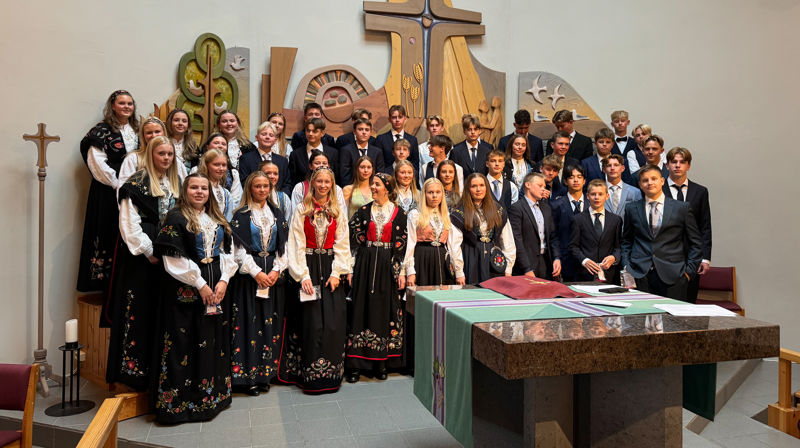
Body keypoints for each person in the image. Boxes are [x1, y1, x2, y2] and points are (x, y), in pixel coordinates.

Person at [152, 173, 237, 423]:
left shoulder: (216, 218)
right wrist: (201, 285)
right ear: (185, 191)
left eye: (204, 188)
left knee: (212, 342)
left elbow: (227, 253)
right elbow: (173, 260)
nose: (199, 192)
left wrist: (223, 281)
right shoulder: (176, 217)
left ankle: (211, 398)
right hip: (186, 294)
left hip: (217, 291)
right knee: (184, 345)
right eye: (194, 188)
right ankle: (181, 405)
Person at [106, 136, 180, 390]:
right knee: (139, 314)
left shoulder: (175, 183)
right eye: (162, 154)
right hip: (142, 260)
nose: (166, 158)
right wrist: (149, 251)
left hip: (169, 259)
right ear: (151, 155)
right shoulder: (135, 184)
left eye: (170, 154)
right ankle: (134, 377)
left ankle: (161, 377)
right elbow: (129, 224)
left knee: (163, 314)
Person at [279, 166, 352, 393]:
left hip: (330, 268)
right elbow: (296, 244)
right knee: (310, 321)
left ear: (332, 185)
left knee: (332, 321)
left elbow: (343, 243)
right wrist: (303, 276)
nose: (322, 186)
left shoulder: (337, 210)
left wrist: (336, 272)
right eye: (318, 181)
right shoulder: (302, 210)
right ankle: (309, 376)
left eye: (327, 182)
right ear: (312, 183)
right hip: (309, 267)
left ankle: (330, 374)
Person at [228, 171, 289, 396]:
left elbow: (285, 246)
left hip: (272, 277)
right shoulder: (240, 215)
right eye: (257, 186)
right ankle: (248, 377)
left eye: (266, 186)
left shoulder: (278, 214)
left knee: (270, 323)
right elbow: (237, 251)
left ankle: (267, 374)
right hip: (249, 278)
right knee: (249, 324)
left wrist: (275, 270)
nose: (262, 190)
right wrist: (256, 273)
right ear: (249, 188)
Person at [78, 90, 140, 305]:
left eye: (130, 103)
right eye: (122, 103)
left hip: (137, 194)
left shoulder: (140, 131)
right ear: (113, 106)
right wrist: (120, 185)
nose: (126, 107)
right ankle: (106, 290)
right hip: (108, 192)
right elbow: (97, 164)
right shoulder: (101, 132)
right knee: (108, 234)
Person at [346, 173, 408, 383]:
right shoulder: (363, 211)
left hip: (387, 266)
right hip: (365, 264)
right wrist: (351, 269)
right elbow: (352, 242)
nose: (373, 187)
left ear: (387, 189)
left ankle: (381, 363)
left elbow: (402, 244)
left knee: (383, 311)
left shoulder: (400, 214)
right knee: (360, 310)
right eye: (372, 184)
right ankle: (355, 364)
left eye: (377, 184)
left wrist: (400, 271)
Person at [621, 165, 703, 300]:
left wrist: (688, 272)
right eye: (645, 180)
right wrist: (627, 266)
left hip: (674, 275)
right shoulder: (632, 208)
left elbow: (695, 243)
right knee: (640, 319)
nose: (650, 183)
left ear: (662, 181)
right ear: (640, 185)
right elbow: (626, 241)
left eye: (654, 179)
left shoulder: (681, 208)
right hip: (640, 274)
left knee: (672, 320)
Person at [663, 147, 712, 302]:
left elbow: (705, 226)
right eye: (674, 162)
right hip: (665, 257)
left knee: (688, 303)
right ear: (667, 165)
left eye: (682, 162)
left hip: (692, 257)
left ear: (688, 166)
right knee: (664, 303)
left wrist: (705, 257)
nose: (678, 165)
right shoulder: (658, 190)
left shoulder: (700, 191)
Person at [450, 173, 516, 285]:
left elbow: (507, 241)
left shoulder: (498, 210)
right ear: (468, 189)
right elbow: (454, 245)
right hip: (470, 258)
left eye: (482, 185)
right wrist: (459, 272)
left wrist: (508, 268)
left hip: (493, 259)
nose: (478, 189)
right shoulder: (459, 212)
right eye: (474, 186)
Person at [508, 172, 561, 279]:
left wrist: (556, 258)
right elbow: (517, 241)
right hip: (526, 265)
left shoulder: (546, 208)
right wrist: (526, 268)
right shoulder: (516, 208)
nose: (543, 189)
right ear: (528, 185)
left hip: (546, 263)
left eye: (544, 187)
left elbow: (552, 236)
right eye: (540, 185)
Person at [405, 178, 456, 287]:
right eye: (430, 192)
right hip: (422, 258)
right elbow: (410, 244)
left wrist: (458, 269)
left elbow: (452, 245)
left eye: (438, 192)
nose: (434, 196)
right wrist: (410, 270)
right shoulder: (415, 214)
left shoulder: (446, 215)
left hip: (442, 260)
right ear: (424, 194)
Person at [569, 179, 622, 284]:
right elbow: (573, 247)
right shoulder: (578, 219)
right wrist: (584, 261)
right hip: (584, 274)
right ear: (587, 196)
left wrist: (614, 257)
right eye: (593, 194)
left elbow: (619, 247)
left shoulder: (616, 220)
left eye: (600, 194)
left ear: (607, 196)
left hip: (609, 274)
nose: (597, 197)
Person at [549, 165, 589, 281]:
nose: (576, 180)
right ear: (565, 181)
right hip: (565, 260)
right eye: (571, 177)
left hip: (588, 261)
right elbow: (553, 235)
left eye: (579, 177)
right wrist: (556, 257)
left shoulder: (591, 204)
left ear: (584, 181)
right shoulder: (556, 205)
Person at [118, 117, 182, 187]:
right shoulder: (133, 159)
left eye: (157, 131)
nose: (154, 136)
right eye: (149, 133)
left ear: (164, 133)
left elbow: (185, 187)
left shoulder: (173, 160)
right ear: (143, 135)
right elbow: (123, 189)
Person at [239, 121, 291, 194]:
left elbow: (287, 185)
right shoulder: (246, 159)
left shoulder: (283, 161)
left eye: (271, 135)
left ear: (275, 140)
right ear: (257, 137)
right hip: (254, 200)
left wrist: (277, 197)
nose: (267, 137)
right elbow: (244, 183)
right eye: (263, 134)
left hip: (278, 202)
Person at [288, 117, 341, 188]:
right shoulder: (295, 154)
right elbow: (292, 180)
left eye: (315, 131)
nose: (310, 134)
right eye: (308, 130)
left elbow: (337, 178)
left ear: (322, 133)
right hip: (303, 194)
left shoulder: (333, 153)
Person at [195, 149, 242, 221]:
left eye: (224, 165)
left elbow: (229, 219)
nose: (221, 168)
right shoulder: (198, 189)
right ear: (207, 165)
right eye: (216, 164)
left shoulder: (226, 193)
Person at [339, 118, 384, 185]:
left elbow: (379, 174)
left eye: (367, 130)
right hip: (352, 188)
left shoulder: (377, 152)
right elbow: (344, 175)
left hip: (372, 189)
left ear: (370, 132)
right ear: (354, 132)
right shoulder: (346, 150)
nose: (364, 132)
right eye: (360, 129)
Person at [375, 105, 420, 170]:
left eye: (400, 117)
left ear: (405, 118)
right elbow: (379, 164)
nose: (397, 120)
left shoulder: (413, 140)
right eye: (394, 117)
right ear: (389, 119)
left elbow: (415, 165)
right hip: (387, 177)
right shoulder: (381, 139)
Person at [603, 154, 642, 220]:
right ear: (604, 169)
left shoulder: (635, 192)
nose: (612, 168)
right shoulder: (598, 192)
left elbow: (639, 217)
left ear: (623, 168)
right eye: (609, 165)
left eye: (616, 165)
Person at [167, 109, 198, 173]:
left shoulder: (193, 147)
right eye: (176, 120)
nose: (180, 123)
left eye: (184, 121)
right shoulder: (163, 143)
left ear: (188, 125)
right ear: (170, 123)